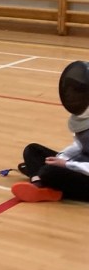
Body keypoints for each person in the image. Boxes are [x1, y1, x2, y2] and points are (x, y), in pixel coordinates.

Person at [11, 60, 89, 202]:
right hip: (80, 166)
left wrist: (66, 165)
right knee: (33, 150)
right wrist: (61, 157)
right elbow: (79, 146)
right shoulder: (84, 120)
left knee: (49, 172)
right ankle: (39, 185)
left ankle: (44, 183)